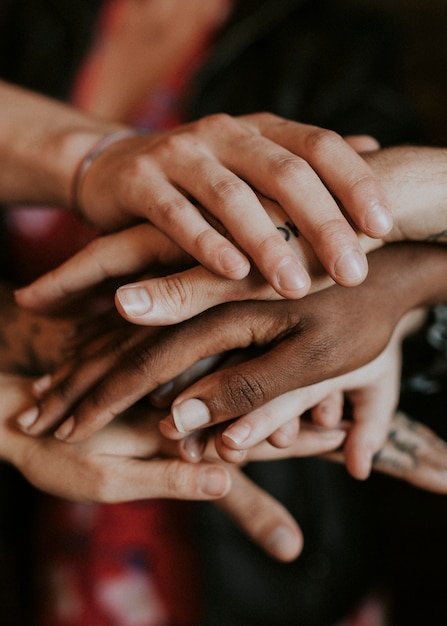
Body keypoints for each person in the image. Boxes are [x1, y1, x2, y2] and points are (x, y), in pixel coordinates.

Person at [0, 0, 425, 624]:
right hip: (48, 465)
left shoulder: (330, 38)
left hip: (255, 494)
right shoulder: (34, 23)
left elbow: (370, 244)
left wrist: (403, 298)